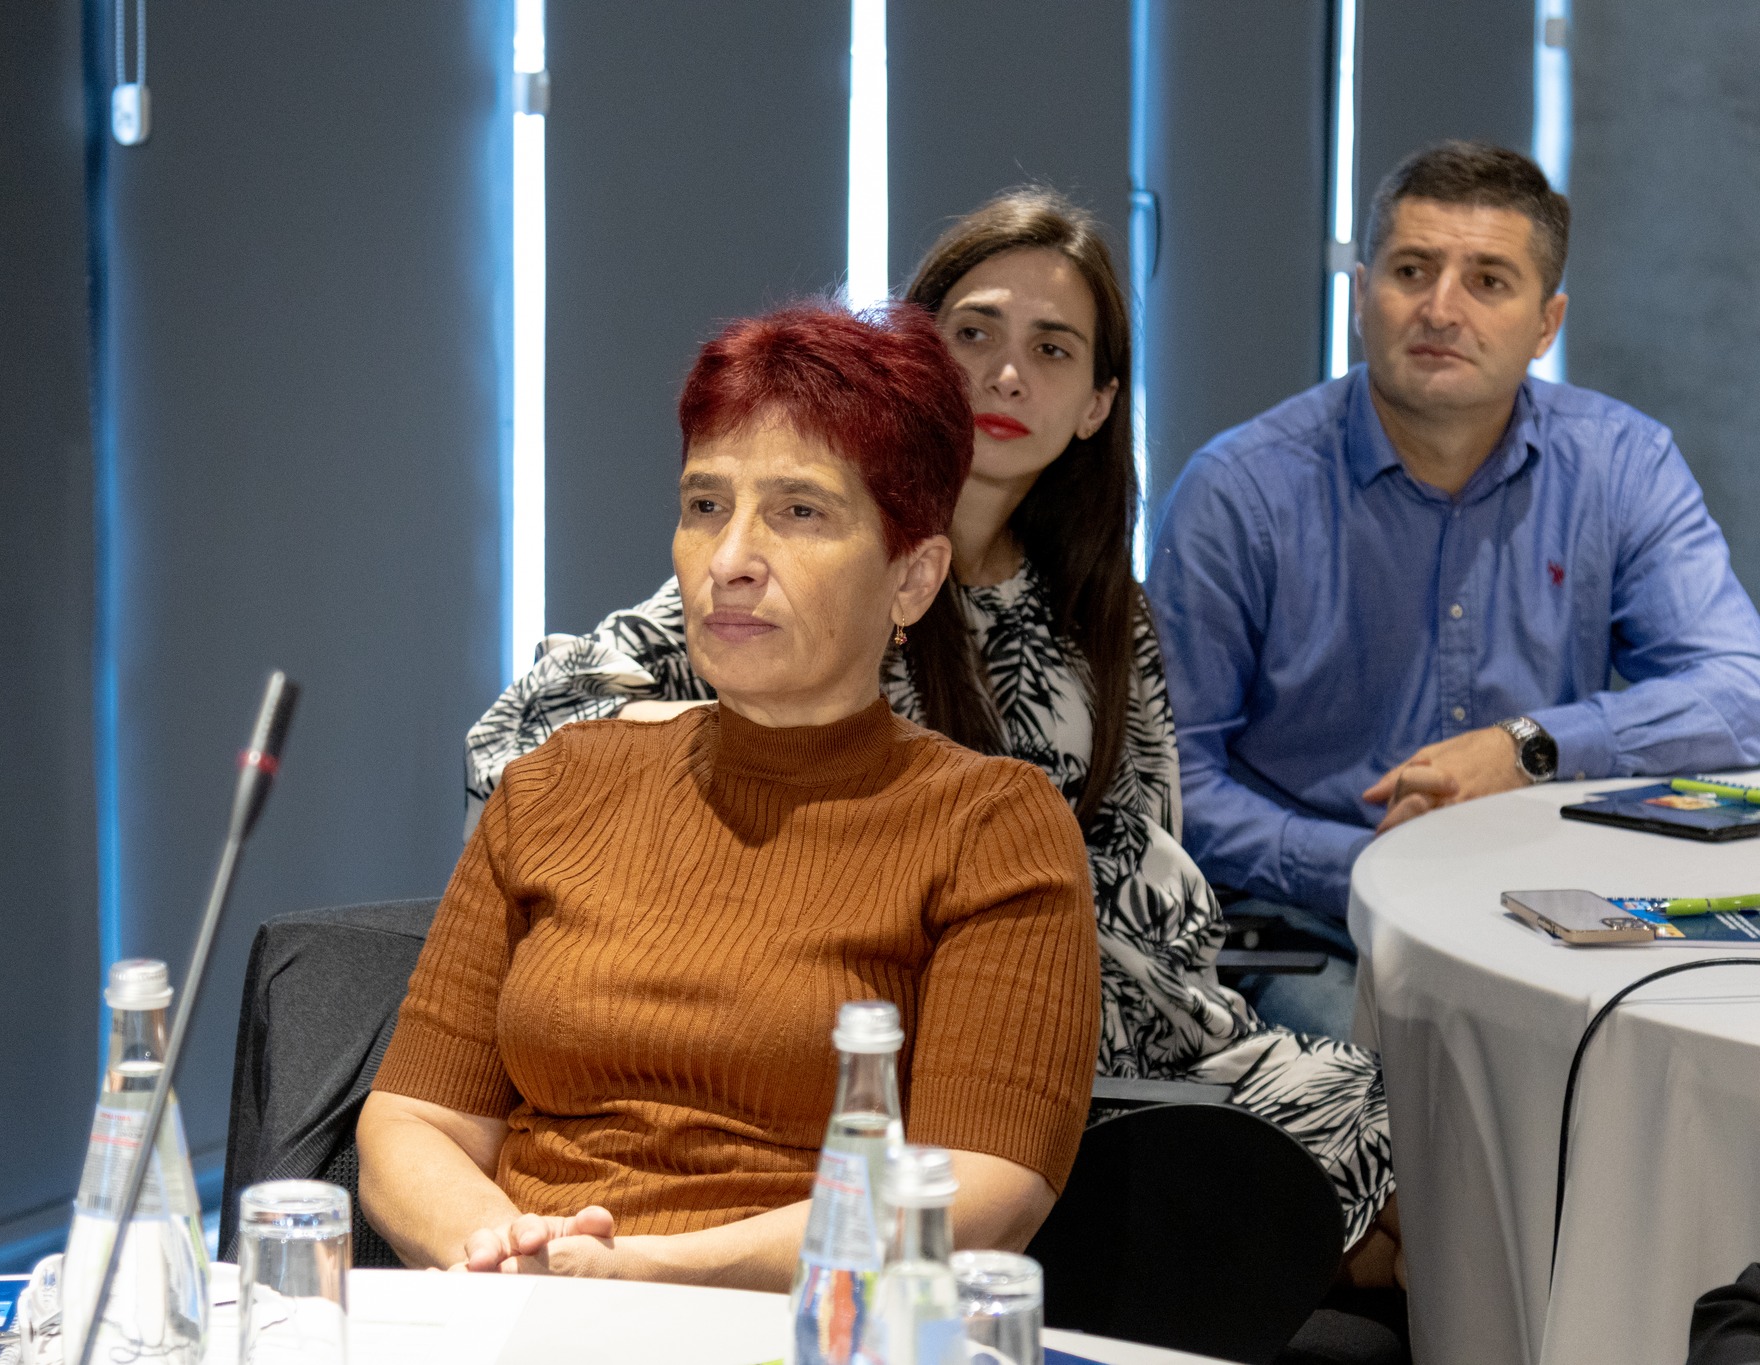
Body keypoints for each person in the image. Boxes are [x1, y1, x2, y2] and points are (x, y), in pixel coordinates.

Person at [463, 189, 1398, 1268]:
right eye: (973, 334)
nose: (1005, 376)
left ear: (1097, 405)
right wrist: (746, 736)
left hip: (1116, 997)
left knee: (1411, 1141)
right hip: (909, 1011)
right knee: (1352, 1228)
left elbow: (1152, 847)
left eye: (1051, 350)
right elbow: (519, 736)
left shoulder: (1099, 607)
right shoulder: (823, 562)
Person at [356, 302, 1100, 1288]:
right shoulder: (556, 784)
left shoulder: (990, 827)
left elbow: (979, 1190)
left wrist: (641, 1272)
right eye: (706, 505)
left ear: (913, 578)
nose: (729, 559)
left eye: (799, 512)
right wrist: (507, 1254)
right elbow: (413, 1121)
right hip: (521, 1308)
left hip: (801, 1324)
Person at [1147, 141, 1760, 1040]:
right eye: (1411, 271)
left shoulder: (1622, 465)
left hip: (1551, 902)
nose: (1441, 308)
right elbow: (1173, 779)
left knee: (1668, 1060)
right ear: (1362, 296)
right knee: (1399, 1081)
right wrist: (1375, 861)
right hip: (1314, 919)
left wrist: (1532, 746)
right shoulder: (1239, 492)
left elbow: (1740, 691)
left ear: (1546, 323)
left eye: (1488, 281)